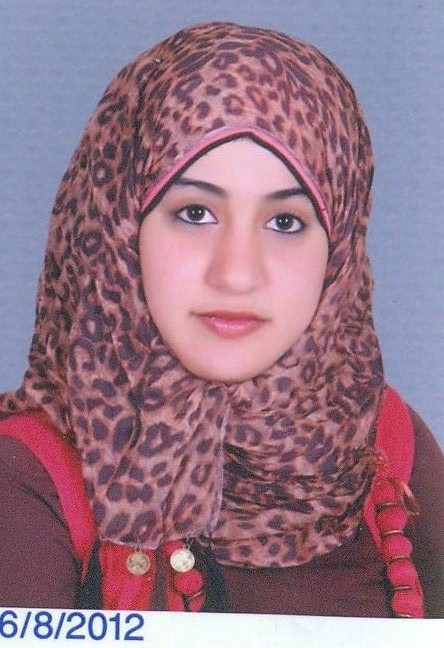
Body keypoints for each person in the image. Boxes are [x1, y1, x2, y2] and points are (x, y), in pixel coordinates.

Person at [0, 22, 443, 617]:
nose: (236, 273)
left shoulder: (386, 440)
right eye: (194, 212)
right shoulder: (28, 479)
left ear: (338, 253)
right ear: (118, 232)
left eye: (285, 222)